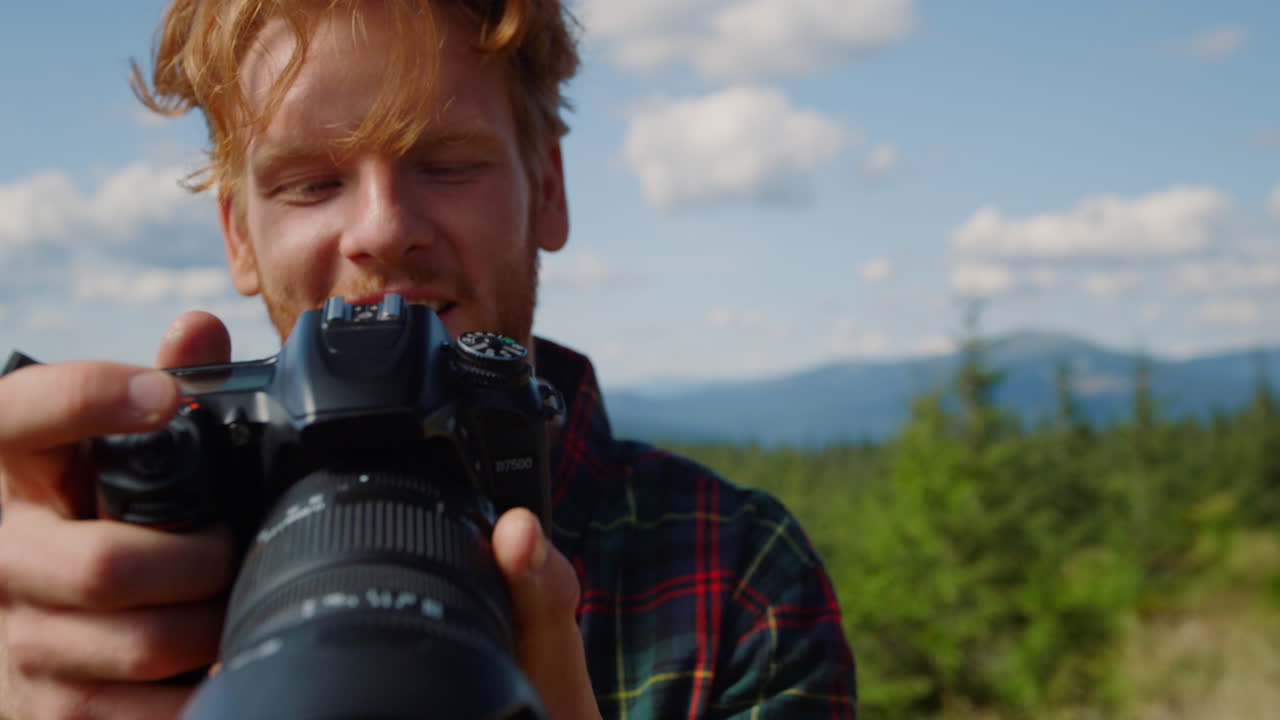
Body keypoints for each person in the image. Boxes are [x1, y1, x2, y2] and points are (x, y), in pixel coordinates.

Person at [0, 1, 857, 717]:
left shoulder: (734, 579)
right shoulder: (135, 581)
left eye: (446, 164)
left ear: (548, 190)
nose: (381, 229)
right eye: (310, 183)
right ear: (239, 237)